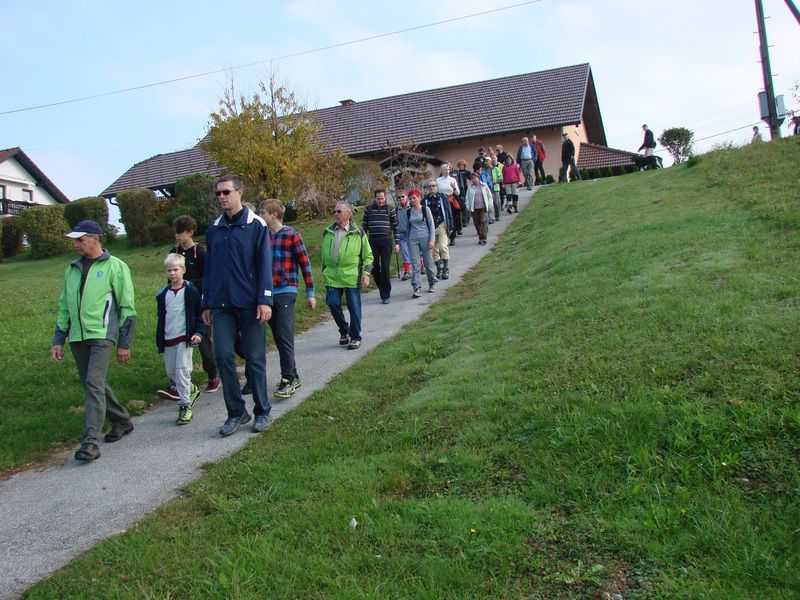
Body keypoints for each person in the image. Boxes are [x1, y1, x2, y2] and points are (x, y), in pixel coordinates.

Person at [51, 220, 136, 461]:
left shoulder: (116, 267)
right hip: (78, 336)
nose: (76, 244)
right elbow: (64, 307)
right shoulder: (71, 269)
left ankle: (90, 443)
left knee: (93, 383)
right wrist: (59, 339)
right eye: (75, 240)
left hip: (102, 335)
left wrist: (124, 342)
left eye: (80, 240)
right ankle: (121, 420)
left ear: (95, 238)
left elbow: (127, 308)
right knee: (93, 384)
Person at [203, 174, 273, 436]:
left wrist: (265, 299)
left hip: (250, 304)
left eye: (226, 192)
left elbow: (264, 265)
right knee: (222, 355)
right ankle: (236, 413)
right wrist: (206, 302)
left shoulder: (256, 226)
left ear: (240, 192)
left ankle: (262, 411)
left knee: (254, 359)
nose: (222, 197)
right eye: (218, 193)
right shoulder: (214, 228)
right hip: (221, 305)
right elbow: (210, 269)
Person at [156, 215, 220, 401]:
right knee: (177, 340)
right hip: (178, 304)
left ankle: (213, 375)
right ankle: (179, 382)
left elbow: (209, 278)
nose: (177, 236)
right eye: (175, 232)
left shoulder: (200, 253)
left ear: (190, 232)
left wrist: (188, 284)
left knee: (203, 339)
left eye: (180, 232)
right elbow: (169, 279)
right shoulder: (173, 252)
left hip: (199, 302)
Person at [259, 199, 316, 399]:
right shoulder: (262, 236)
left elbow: (305, 264)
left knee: (284, 334)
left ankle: (287, 379)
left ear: (273, 215)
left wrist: (310, 293)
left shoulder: (292, 235)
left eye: (263, 212)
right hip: (267, 293)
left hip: (286, 290)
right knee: (278, 335)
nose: (261, 216)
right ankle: (294, 374)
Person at [156, 253, 203, 425]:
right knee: (172, 373)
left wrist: (198, 332)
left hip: (184, 338)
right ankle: (191, 390)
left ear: (183, 270)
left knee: (183, 371)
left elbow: (198, 313)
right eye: (169, 270)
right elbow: (162, 317)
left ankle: (185, 406)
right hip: (168, 338)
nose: (173, 274)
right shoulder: (163, 294)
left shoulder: (190, 291)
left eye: (176, 269)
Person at [321, 201, 374, 350]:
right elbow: (324, 255)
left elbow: (368, 256)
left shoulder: (359, 232)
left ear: (348, 214)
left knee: (354, 307)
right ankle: (344, 330)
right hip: (332, 276)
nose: (335, 214)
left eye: (339, 211)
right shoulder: (327, 232)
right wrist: (324, 269)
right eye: (335, 211)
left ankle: (355, 336)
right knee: (332, 304)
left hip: (351, 275)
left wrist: (366, 273)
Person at [362, 189, 400, 304]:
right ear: (375, 198)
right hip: (372, 241)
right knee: (373, 267)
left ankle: (385, 294)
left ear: (385, 198)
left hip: (386, 241)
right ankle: (382, 287)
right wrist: (361, 244)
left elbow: (395, 227)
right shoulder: (368, 210)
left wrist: (397, 243)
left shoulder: (390, 209)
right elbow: (363, 228)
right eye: (378, 198)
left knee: (385, 267)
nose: (380, 200)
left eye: (382, 198)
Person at [397, 189, 437, 297]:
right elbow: (408, 228)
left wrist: (432, 240)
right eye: (410, 198)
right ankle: (416, 287)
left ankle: (432, 282)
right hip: (412, 239)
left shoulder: (425, 209)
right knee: (415, 264)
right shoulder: (408, 211)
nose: (412, 200)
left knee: (428, 263)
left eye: (414, 197)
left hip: (425, 237)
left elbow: (431, 226)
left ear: (419, 197)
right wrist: (409, 240)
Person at [421, 179, 455, 280]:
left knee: (443, 246)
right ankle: (439, 268)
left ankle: (446, 268)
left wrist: (451, 226)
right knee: (434, 250)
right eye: (429, 186)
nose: (432, 188)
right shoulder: (425, 200)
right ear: (427, 188)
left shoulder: (442, 198)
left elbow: (448, 212)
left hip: (441, 225)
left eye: (433, 186)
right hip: (430, 228)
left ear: (437, 187)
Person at [465, 172, 493, 245]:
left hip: (483, 207)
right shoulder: (470, 188)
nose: (473, 180)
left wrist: (490, 205)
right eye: (472, 179)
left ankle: (484, 237)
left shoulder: (484, 185)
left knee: (483, 221)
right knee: (477, 223)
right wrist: (467, 206)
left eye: (475, 178)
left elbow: (489, 196)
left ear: (478, 178)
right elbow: (467, 198)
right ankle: (480, 237)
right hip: (474, 208)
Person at [436, 164, 462, 243]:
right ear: (441, 171)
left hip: (450, 200)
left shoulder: (452, 179)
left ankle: (452, 237)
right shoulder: (438, 180)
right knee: (442, 219)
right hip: (441, 201)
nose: (447, 171)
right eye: (445, 169)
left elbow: (457, 193)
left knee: (451, 218)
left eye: (448, 169)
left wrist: (454, 187)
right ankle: (444, 237)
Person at [394, 191, 412, 280]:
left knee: (416, 250)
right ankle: (407, 271)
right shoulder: (396, 210)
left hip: (412, 232)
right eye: (399, 197)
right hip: (401, 233)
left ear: (406, 197)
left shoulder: (411, 207)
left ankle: (422, 266)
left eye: (403, 196)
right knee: (405, 252)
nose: (401, 198)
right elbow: (395, 222)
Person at [452, 160, 471, 228]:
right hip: (459, 191)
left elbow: (470, 180)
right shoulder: (457, 173)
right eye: (459, 165)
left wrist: (468, 182)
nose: (460, 166)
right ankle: (464, 220)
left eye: (462, 165)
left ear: (464, 165)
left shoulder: (467, 172)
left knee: (465, 205)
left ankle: (466, 219)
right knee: (461, 206)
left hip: (466, 190)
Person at [490, 156, 503, 221]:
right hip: (488, 188)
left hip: (495, 188)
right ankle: (491, 217)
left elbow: (501, 178)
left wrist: (496, 181)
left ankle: (497, 215)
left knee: (495, 202)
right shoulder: (484, 171)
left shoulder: (496, 169)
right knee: (490, 203)